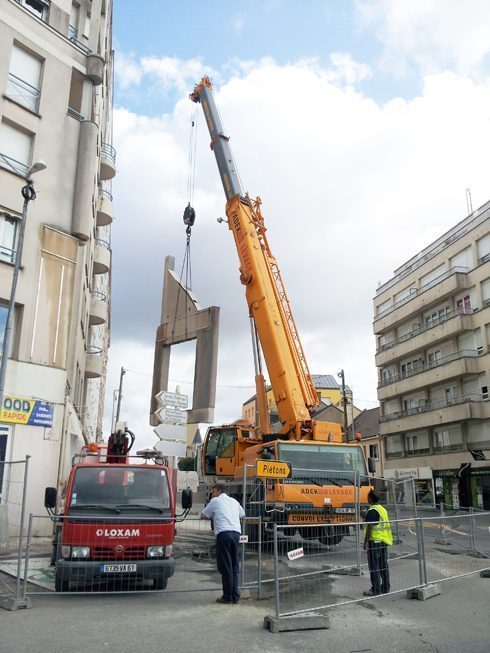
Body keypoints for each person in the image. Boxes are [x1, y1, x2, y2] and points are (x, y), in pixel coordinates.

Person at [201, 483, 245, 604]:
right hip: (236, 533)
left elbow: (203, 515)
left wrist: (214, 516)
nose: (212, 494)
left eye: (213, 492)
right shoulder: (234, 501)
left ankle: (227, 596)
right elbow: (242, 514)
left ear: (218, 491)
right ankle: (235, 596)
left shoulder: (215, 501)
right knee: (234, 565)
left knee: (225, 566)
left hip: (224, 534)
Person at [363, 489, 393, 596]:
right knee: (383, 565)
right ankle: (385, 587)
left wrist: (365, 542)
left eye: (367, 496)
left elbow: (370, 527)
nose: (367, 498)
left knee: (374, 566)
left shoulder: (372, 511)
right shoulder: (383, 510)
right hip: (383, 541)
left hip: (374, 541)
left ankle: (375, 589)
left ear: (370, 498)